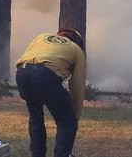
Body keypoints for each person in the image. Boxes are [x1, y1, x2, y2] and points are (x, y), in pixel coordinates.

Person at [15, 28, 87, 157]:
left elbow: (27, 56)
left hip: (22, 72)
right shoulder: (76, 50)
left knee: (35, 116)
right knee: (67, 122)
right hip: (45, 75)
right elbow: (77, 86)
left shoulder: (42, 36)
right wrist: (75, 116)